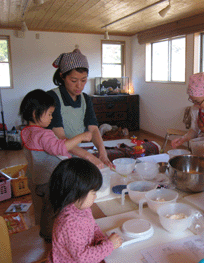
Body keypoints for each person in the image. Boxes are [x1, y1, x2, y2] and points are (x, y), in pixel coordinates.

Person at [19, 89, 92, 242]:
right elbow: (60, 147)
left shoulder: (25, 132)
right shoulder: (43, 134)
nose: (52, 118)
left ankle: (44, 234)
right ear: (35, 113)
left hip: (35, 179)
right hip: (50, 181)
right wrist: (82, 136)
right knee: (55, 210)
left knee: (43, 210)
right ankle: (53, 238)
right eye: (50, 114)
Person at [47, 48, 113, 169]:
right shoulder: (52, 98)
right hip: (55, 156)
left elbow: (93, 129)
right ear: (62, 75)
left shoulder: (85, 99)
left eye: (83, 80)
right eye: (74, 80)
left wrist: (103, 154)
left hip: (76, 152)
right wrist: (89, 156)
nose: (79, 85)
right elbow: (61, 138)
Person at [48, 158, 122, 262]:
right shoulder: (69, 223)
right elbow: (83, 258)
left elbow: (93, 226)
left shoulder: (82, 207)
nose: (95, 197)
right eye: (93, 193)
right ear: (77, 192)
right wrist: (109, 246)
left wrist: (101, 240)